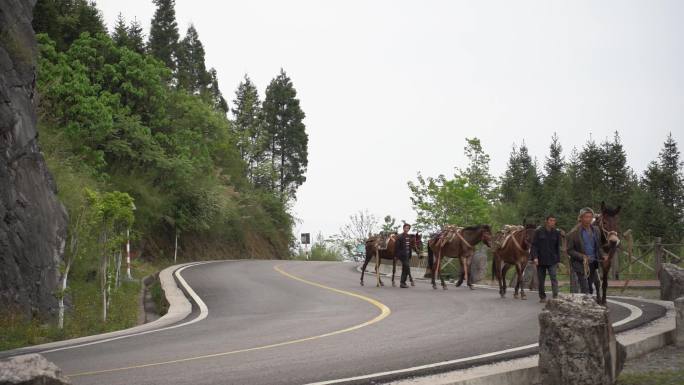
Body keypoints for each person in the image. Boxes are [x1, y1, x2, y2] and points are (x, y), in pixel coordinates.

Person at [566, 208, 606, 294]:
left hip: (593, 262)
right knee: (585, 287)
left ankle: (590, 302)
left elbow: (598, 247)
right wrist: (582, 256)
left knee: (595, 285)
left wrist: (603, 255)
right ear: (580, 218)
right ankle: (585, 304)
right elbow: (569, 250)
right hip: (580, 264)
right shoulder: (573, 233)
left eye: (590, 217)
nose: (588, 219)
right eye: (586, 217)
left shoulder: (596, 230)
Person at [532, 215, 561, 302]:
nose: (552, 222)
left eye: (554, 221)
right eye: (551, 220)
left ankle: (555, 296)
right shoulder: (539, 231)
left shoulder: (556, 232)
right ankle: (542, 296)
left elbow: (557, 247)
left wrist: (558, 260)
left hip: (552, 259)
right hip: (541, 259)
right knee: (541, 280)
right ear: (546, 221)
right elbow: (534, 246)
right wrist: (535, 257)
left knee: (554, 277)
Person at [395, 223, 413, 288]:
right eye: (406, 228)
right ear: (403, 228)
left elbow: (410, 247)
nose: (407, 229)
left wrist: (410, 254)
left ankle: (403, 283)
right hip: (402, 256)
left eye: (408, 228)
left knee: (405, 269)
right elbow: (397, 248)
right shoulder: (399, 236)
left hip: (407, 255)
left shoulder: (409, 236)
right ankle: (403, 282)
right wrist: (398, 255)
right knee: (407, 266)